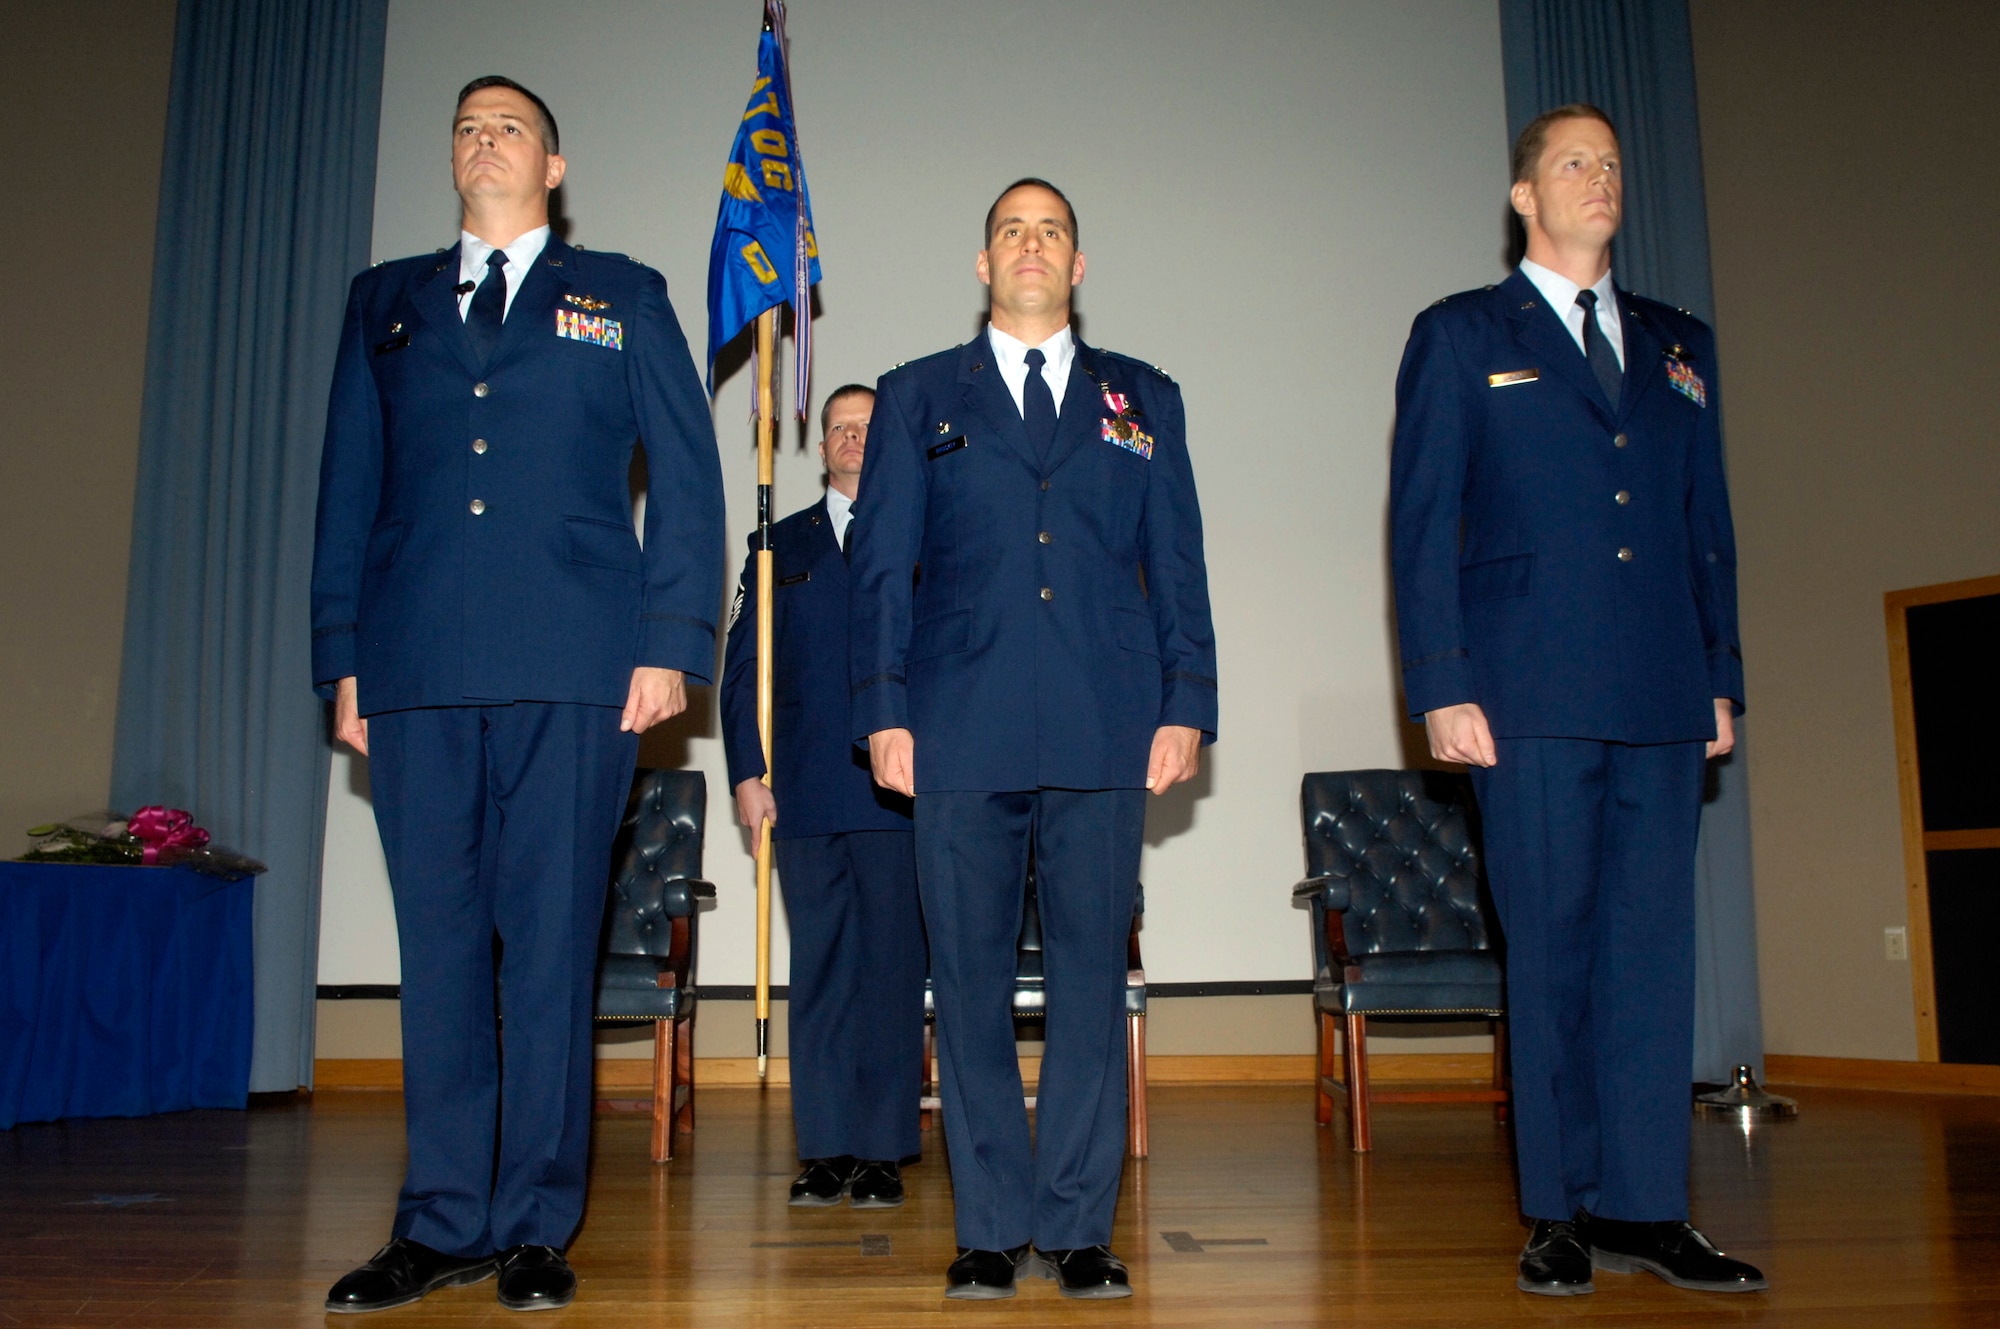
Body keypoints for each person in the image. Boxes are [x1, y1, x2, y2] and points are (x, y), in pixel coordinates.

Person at [310, 76, 723, 1314]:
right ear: (454, 160)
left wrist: (668, 641)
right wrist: (345, 658)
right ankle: (438, 1222)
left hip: (576, 672)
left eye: (511, 128)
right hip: (418, 668)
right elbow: (348, 488)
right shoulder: (383, 303)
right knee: (437, 950)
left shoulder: (624, 296)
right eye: (467, 126)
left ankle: (537, 1223)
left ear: (554, 165)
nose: (484, 139)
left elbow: (690, 487)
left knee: (548, 950)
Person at [1389, 104, 1765, 1298]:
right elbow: (1421, 525)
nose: (1596, 178)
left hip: (1659, 687)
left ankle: (1647, 1208)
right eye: (1570, 162)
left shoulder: (1676, 343)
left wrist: (1719, 673)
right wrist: (1440, 685)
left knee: (1652, 955)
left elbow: (1705, 527)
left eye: (1608, 162)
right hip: (1525, 689)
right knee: (1547, 949)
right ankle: (1555, 1209)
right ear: (1521, 194)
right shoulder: (1460, 334)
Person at [848, 178, 1217, 1301]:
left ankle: (1077, 1228)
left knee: (1089, 984)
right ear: (980, 262)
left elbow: (1179, 564)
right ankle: (989, 1228)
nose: (1029, 246)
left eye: (1050, 231)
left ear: (1078, 264)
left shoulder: (1141, 398)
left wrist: (1187, 701)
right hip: (957, 728)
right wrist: (882, 707)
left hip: (1106, 725)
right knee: (961, 984)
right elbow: (880, 571)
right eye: (1010, 230)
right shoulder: (918, 398)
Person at [720, 383, 926, 1210]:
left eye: (866, 426)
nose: (850, 438)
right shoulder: (777, 545)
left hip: (897, 792)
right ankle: (827, 1147)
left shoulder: (923, 535)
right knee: (821, 972)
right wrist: (744, 771)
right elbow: (743, 672)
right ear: (820, 446)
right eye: (838, 427)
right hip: (802, 791)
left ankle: (881, 1149)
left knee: (889, 970)